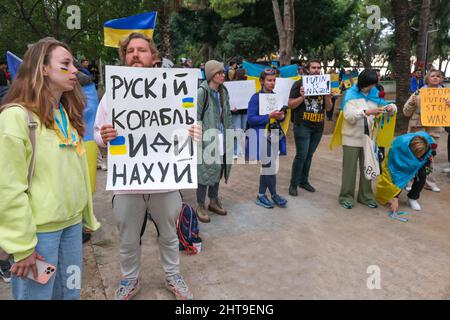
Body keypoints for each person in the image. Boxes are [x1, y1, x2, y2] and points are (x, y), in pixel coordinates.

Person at [94, 32, 200, 300]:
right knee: (128, 239)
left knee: (169, 234)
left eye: (142, 50)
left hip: (165, 182)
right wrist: (102, 137)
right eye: (130, 51)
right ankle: (130, 280)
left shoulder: (174, 89)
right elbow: (97, 134)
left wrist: (194, 133)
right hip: (127, 185)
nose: (135, 55)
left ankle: (174, 276)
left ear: (153, 57)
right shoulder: (111, 96)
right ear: (124, 56)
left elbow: (186, 127)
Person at [0, 37, 100, 300]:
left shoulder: (65, 113)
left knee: (71, 293)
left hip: (72, 227)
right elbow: (8, 187)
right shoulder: (15, 117)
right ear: (43, 69)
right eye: (66, 64)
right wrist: (22, 246)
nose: (75, 70)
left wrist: (84, 216)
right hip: (39, 235)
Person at [338, 69, 396, 209]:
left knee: (368, 168)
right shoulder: (350, 94)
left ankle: (365, 196)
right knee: (349, 170)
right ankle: (346, 196)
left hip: (369, 139)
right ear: (362, 83)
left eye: (374, 84)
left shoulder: (375, 94)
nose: (372, 87)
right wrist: (366, 112)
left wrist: (390, 108)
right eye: (370, 85)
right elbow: (349, 117)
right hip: (351, 138)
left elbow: (390, 107)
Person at [288, 59, 333, 196]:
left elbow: (329, 108)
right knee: (301, 155)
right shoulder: (299, 84)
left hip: (318, 126)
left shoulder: (325, 84)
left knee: (309, 155)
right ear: (307, 69)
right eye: (313, 67)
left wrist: (327, 97)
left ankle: (304, 181)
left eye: (318, 68)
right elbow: (290, 104)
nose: (316, 70)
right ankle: (293, 184)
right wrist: (302, 97)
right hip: (302, 125)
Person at [196, 60, 233, 223]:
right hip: (207, 137)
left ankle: (213, 200)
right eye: (218, 73)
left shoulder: (223, 91)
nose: (222, 75)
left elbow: (227, 114)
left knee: (219, 169)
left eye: (223, 72)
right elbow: (196, 117)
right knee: (204, 171)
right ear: (210, 74)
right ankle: (200, 205)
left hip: (223, 135)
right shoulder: (202, 92)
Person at [246, 68, 288, 209]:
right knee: (269, 167)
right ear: (262, 81)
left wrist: (282, 117)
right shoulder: (255, 98)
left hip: (275, 134)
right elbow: (251, 119)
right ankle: (274, 194)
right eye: (269, 80)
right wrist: (268, 116)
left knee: (270, 167)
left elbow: (281, 117)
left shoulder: (276, 97)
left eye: (274, 80)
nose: (272, 83)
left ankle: (261, 195)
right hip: (261, 135)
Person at [403, 69, 444, 192]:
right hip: (418, 129)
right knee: (414, 155)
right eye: (432, 76)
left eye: (438, 76)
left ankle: (429, 182)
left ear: (441, 79)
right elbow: (406, 112)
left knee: (431, 157)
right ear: (427, 78)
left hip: (434, 131)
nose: (435, 78)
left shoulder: (445, 95)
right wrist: (412, 104)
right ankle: (409, 181)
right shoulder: (418, 93)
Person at [376, 132, 436, 212]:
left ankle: (412, 198)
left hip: (420, 162)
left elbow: (432, 151)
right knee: (401, 177)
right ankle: (394, 195)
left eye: (421, 153)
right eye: (417, 154)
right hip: (402, 160)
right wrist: (395, 197)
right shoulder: (399, 146)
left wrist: (430, 157)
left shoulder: (427, 142)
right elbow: (398, 175)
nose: (419, 156)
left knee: (422, 176)